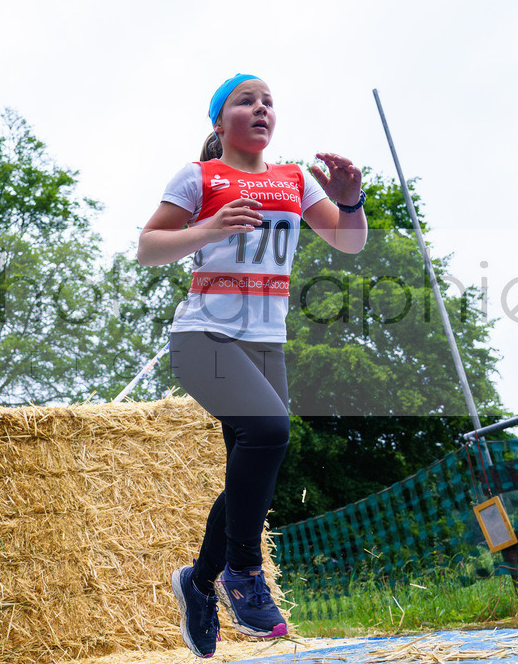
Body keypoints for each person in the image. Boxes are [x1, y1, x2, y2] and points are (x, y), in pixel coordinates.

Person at [137, 74, 367, 657]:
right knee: (270, 430)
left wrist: (349, 198)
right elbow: (147, 247)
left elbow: (348, 242)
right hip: (203, 337)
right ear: (219, 121)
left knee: (253, 471)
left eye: (269, 102)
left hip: (267, 342)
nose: (261, 108)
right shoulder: (199, 177)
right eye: (247, 100)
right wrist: (209, 227)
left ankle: (199, 579)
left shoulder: (292, 180)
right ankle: (242, 570)